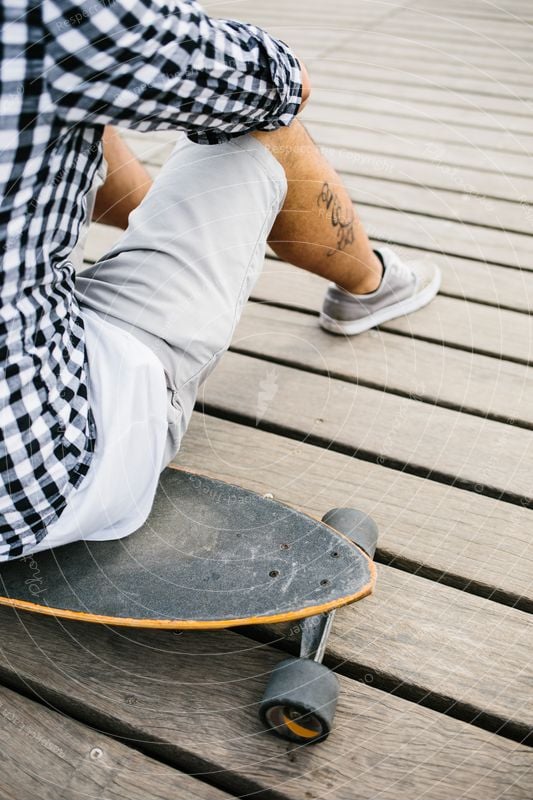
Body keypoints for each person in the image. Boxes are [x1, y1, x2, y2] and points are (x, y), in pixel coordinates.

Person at [0, 0, 440, 561]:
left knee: (63, 88)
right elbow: (280, 84)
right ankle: (375, 284)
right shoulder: (58, 13)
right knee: (265, 134)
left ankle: (153, 227)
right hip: (39, 478)